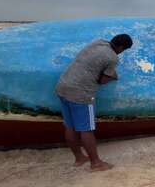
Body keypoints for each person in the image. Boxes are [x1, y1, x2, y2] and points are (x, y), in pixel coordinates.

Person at [55, 34, 133, 172]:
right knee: (86, 130)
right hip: (81, 94)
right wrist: (113, 76)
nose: (122, 52)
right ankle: (96, 163)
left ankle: (79, 158)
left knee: (70, 126)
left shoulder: (99, 42)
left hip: (63, 86)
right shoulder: (112, 58)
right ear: (121, 47)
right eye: (124, 50)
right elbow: (103, 80)